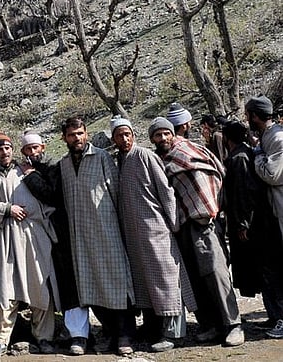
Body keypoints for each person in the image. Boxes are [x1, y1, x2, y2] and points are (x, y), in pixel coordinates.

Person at [150, 116, 243, 347]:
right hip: (180, 225)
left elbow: (216, 172)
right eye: (157, 135)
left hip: (205, 221)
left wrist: (210, 206)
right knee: (193, 277)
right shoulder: (159, 161)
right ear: (152, 138)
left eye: (166, 133)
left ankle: (233, 325)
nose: (163, 138)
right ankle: (210, 325)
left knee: (215, 272)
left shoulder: (191, 149)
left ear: (173, 134)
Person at [110, 117, 195, 352]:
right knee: (145, 282)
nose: (124, 139)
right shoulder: (120, 161)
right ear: (114, 139)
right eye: (119, 135)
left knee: (165, 278)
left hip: (157, 230)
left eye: (128, 134)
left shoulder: (145, 156)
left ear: (134, 135)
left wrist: (173, 224)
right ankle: (152, 327)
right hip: (135, 235)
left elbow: (166, 191)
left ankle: (173, 333)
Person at [0, 132, 58, 357]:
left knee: (39, 285)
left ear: (14, 150)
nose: (5, 152)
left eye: (8, 148)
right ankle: (0, 341)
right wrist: (6, 209)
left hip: (33, 237)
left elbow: (47, 198)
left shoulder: (24, 172)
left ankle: (44, 337)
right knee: (6, 288)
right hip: (6, 238)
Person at [59, 117, 135, 355]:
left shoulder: (101, 157)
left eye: (80, 133)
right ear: (64, 138)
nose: (77, 138)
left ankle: (125, 336)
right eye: (72, 135)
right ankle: (111, 332)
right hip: (80, 237)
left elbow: (116, 193)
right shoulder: (63, 165)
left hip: (107, 231)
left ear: (87, 134)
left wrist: (122, 228)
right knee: (90, 287)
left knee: (117, 282)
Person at [20, 131, 91, 355]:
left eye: (36, 148)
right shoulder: (23, 171)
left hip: (63, 234)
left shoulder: (54, 168)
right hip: (38, 237)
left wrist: (31, 176)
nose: (33, 152)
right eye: (28, 149)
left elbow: (51, 195)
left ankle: (79, 335)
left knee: (70, 284)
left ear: (44, 147)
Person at [222, 118, 283, 338]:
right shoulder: (248, 154)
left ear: (227, 138)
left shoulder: (239, 159)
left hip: (257, 226)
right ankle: (274, 316)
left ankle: (280, 317)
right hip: (262, 222)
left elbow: (244, 194)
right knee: (265, 271)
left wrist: (242, 223)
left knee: (269, 272)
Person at [243, 95, 283, 337]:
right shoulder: (270, 136)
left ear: (255, 116)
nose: (247, 118)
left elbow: (272, 174)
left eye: (249, 114)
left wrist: (257, 154)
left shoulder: (277, 138)